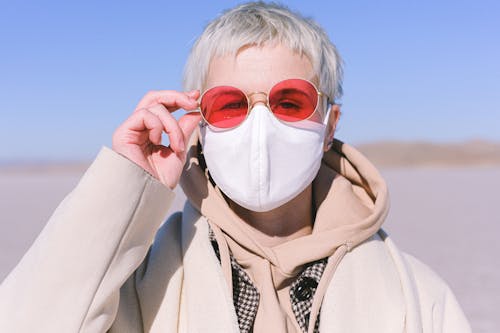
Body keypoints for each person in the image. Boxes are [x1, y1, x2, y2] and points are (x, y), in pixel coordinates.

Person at [0, 2, 470, 332]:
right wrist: (125, 187)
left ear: (329, 124)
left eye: (290, 101)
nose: (260, 125)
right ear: (199, 121)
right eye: (230, 104)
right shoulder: (139, 288)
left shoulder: (416, 297)